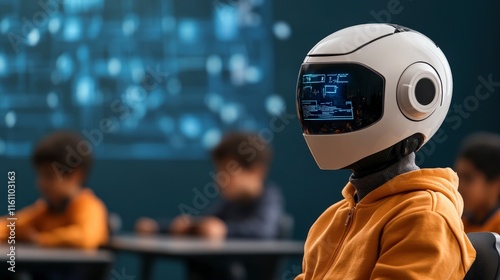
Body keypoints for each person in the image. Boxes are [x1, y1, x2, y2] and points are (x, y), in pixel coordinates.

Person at [295, 24, 475, 279]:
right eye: (317, 97)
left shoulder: (424, 218)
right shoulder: (330, 220)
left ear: (416, 97)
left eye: (343, 98)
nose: (325, 115)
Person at [135, 132, 284, 279]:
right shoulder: (230, 204)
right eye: (219, 171)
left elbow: (262, 231)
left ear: (256, 172)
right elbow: (207, 224)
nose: (220, 179)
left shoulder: (269, 198)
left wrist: (224, 230)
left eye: (229, 172)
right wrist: (161, 228)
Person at [0, 131, 109, 249]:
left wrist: (38, 239)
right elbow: (7, 225)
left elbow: (86, 238)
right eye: (40, 175)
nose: (41, 183)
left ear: (75, 175)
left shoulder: (90, 207)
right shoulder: (45, 210)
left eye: (49, 176)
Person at [456, 132, 500, 233]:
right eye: (458, 178)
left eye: (468, 178)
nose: (459, 186)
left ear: (495, 183)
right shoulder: (460, 223)